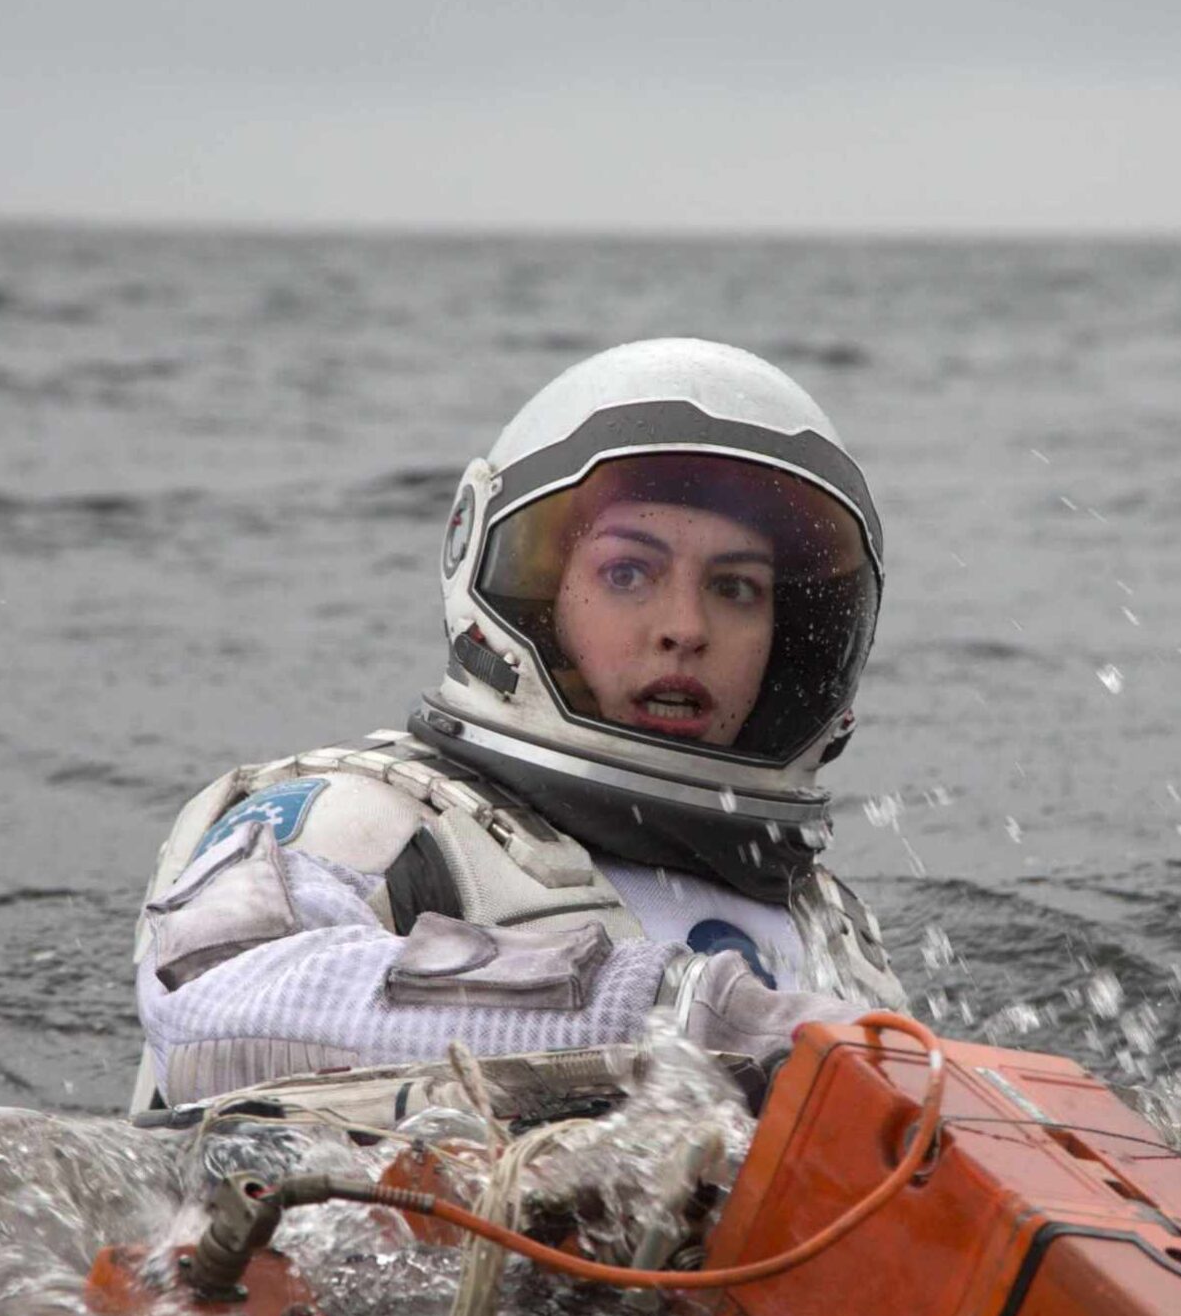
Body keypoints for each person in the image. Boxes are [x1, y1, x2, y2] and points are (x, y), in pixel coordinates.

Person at [129, 338, 909, 1115]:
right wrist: (677, 1017)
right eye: (627, 573)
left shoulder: (826, 925)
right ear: (540, 594)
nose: (685, 626)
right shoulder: (381, 823)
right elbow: (207, 1005)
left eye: (735, 588)